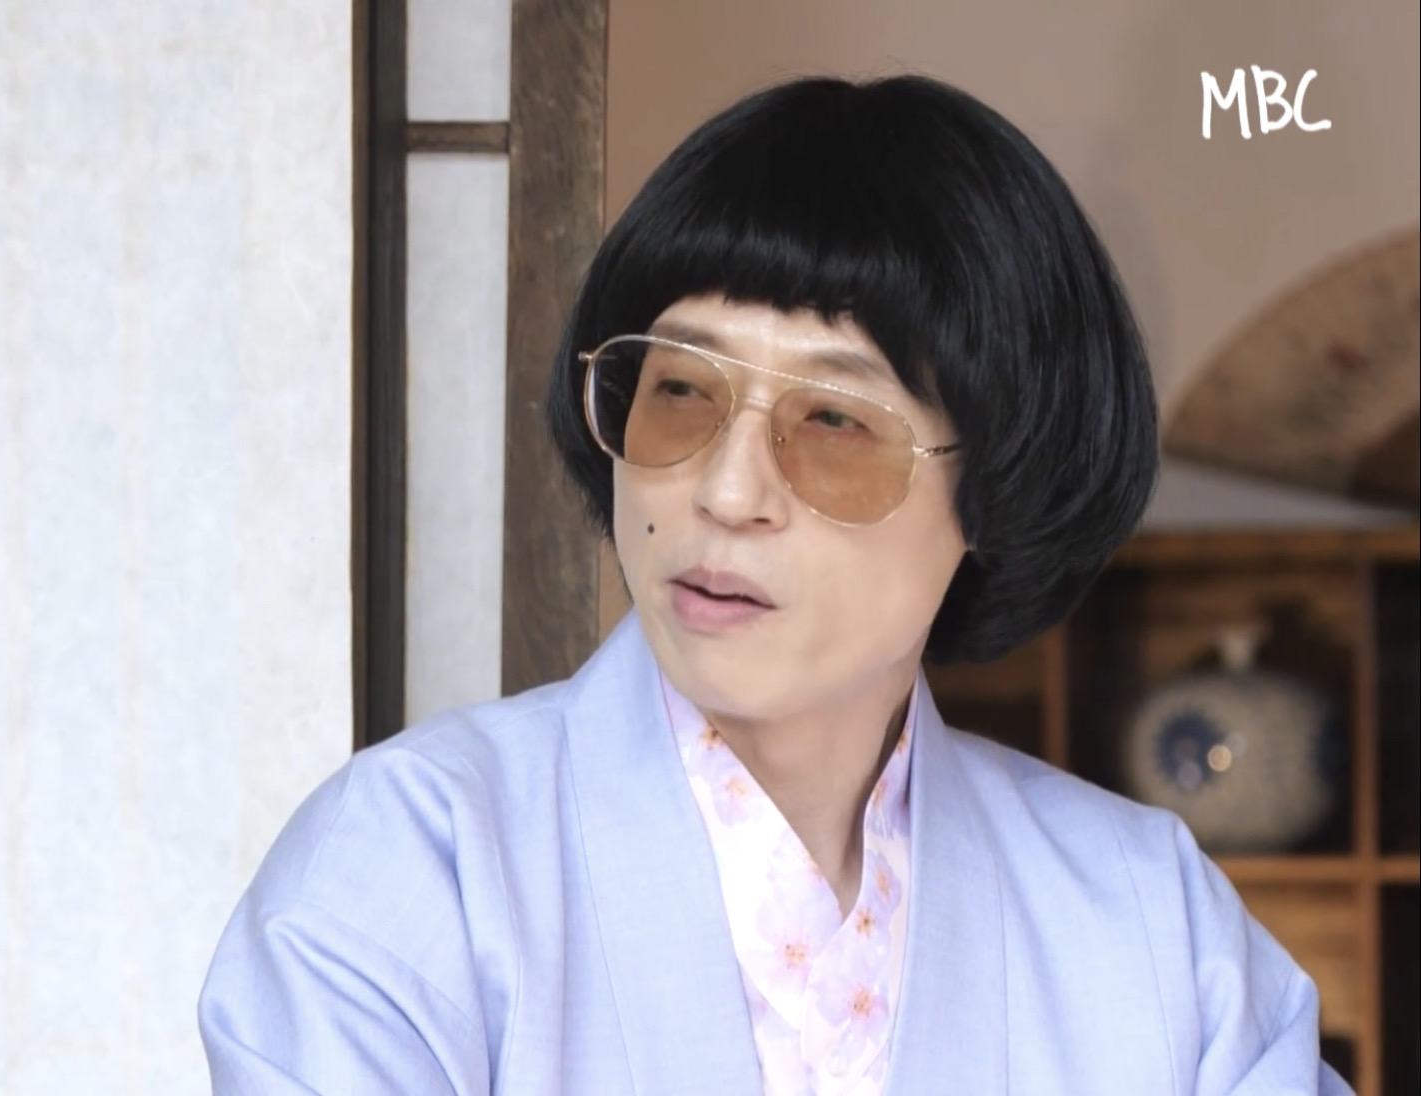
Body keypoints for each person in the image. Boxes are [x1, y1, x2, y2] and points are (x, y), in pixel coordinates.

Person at [198, 74, 1351, 1095]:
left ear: (996, 491)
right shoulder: (411, 868)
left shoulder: (1154, 927)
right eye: (680, 392)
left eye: (835, 420)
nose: (727, 490)